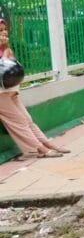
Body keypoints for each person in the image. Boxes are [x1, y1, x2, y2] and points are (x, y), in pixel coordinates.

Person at [0, 19, 69, 159]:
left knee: (27, 119)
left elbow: (12, 64)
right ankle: (41, 149)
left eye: (4, 29)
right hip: (1, 93)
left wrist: (6, 47)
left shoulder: (5, 47)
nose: (4, 32)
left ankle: (48, 144)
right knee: (18, 122)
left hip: (11, 90)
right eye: (0, 31)